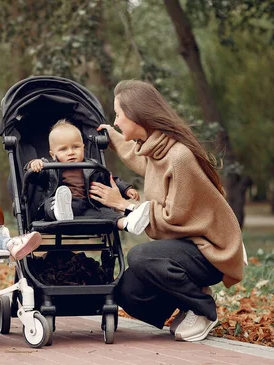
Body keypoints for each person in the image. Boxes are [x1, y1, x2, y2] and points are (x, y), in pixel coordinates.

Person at [90, 80, 246, 342]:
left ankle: (204, 309)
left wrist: (123, 205)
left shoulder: (179, 157)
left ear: (137, 115)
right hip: (185, 248)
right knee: (127, 291)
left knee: (141, 256)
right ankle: (188, 300)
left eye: (119, 115)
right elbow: (140, 158)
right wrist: (112, 136)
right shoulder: (158, 149)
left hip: (211, 250)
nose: (116, 121)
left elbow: (173, 218)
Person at [26, 119, 150, 234]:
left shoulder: (91, 166)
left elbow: (109, 178)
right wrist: (34, 165)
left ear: (83, 147)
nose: (71, 152)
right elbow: (34, 177)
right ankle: (60, 211)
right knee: (50, 203)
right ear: (53, 155)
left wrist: (126, 189)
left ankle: (128, 223)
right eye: (63, 149)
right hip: (60, 203)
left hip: (87, 206)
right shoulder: (50, 167)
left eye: (75, 147)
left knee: (106, 213)